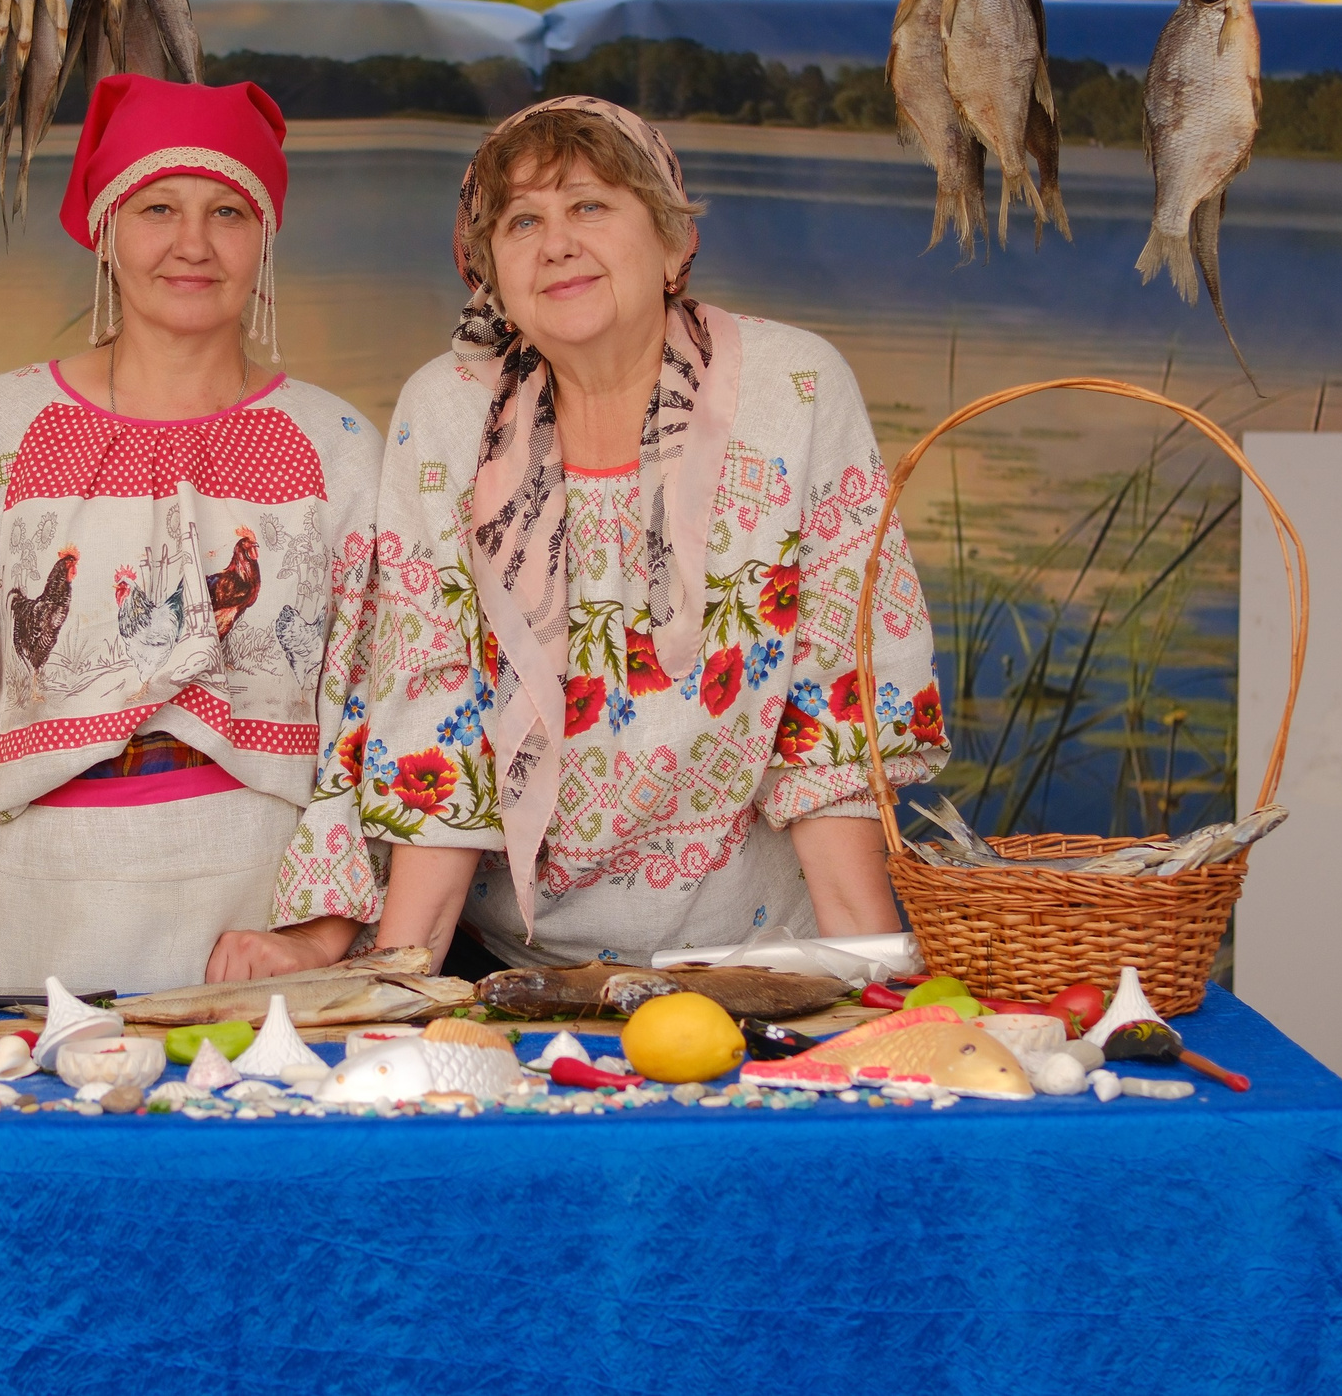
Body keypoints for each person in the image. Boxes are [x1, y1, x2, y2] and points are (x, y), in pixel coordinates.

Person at [0, 74, 382, 992]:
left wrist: (321, 931)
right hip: (42, 906)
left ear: (266, 236)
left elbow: (384, 710)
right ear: (105, 230)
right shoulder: (5, 426)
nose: (191, 243)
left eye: (227, 209)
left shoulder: (335, 447)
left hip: (264, 921)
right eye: (157, 208)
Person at [353, 97, 950, 970]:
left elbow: (841, 701)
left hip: (765, 956)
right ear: (491, 279)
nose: (557, 242)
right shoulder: (447, 413)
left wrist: (866, 981)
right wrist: (394, 1003)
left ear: (673, 245)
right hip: (517, 969)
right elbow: (432, 709)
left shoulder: (794, 390)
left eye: (590, 205)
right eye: (523, 220)